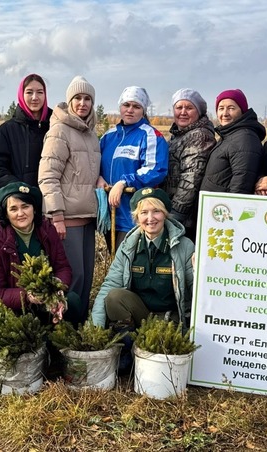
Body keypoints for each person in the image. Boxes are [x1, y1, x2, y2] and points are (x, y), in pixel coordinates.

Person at [91, 188, 194, 370]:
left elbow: (196, 292)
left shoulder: (184, 246)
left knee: (161, 348)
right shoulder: (128, 245)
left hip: (169, 318)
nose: (150, 218)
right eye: (144, 213)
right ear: (136, 217)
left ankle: (146, 348)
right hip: (140, 314)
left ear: (165, 214)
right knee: (115, 297)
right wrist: (95, 330)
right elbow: (109, 285)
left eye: (156, 211)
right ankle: (126, 350)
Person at [38, 76, 101, 324]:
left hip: (87, 218)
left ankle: (79, 327)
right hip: (67, 218)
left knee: (86, 278)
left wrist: (101, 180)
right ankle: (62, 328)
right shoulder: (60, 131)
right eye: (77, 98)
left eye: (87, 99)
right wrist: (57, 215)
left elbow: (87, 170)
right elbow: (48, 175)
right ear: (69, 101)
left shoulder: (90, 133)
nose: (82, 103)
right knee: (71, 278)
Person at [0, 182, 79, 321]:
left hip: (47, 297)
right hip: (16, 307)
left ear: (34, 209)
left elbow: (62, 267)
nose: (20, 213)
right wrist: (27, 296)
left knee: (73, 301)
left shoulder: (47, 230)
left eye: (25, 206)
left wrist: (56, 288)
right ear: (6, 214)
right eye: (13, 209)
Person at [99, 86, 168, 246]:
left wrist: (124, 182)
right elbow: (94, 162)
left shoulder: (151, 136)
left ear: (143, 110)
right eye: (126, 105)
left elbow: (155, 170)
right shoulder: (108, 136)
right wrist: (98, 177)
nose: (130, 110)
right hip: (109, 215)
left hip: (134, 217)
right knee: (115, 266)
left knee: (130, 266)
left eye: (136, 106)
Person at [163, 89, 216, 241]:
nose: (183, 112)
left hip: (185, 220)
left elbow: (191, 179)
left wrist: (174, 218)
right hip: (172, 213)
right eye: (179, 107)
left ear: (199, 112)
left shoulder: (199, 136)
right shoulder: (178, 136)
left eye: (189, 108)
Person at [0, 74, 52, 192]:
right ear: (21, 95)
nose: (35, 97)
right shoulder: (7, 130)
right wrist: (19, 189)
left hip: (52, 204)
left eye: (40, 92)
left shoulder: (55, 127)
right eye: (29, 92)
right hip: (21, 205)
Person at [200, 88, 265, 195]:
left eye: (231, 108)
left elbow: (242, 183)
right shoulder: (229, 135)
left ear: (242, 111)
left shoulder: (245, 138)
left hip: (223, 209)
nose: (225, 113)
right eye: (221, 108)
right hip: (214, 206)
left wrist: (230, 209)